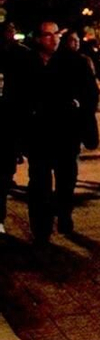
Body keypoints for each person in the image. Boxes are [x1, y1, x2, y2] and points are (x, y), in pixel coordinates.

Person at [25, 21, 100, 242]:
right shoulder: (28, 62)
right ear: (38, 38)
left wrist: (79, 111)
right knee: (39, 180)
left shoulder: (75, 62)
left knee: (66, 178)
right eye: (48, 35)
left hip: (66, 131)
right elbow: (17, 96)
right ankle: (41, 226)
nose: (54, 39)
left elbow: (90, 94)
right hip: (38, 131)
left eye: (56, 34)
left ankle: (64, 212)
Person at [1, 30, 33, 237]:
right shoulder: (21, 55)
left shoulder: (21, 56)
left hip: (8, 121)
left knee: (3, 172)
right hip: (10, 121)